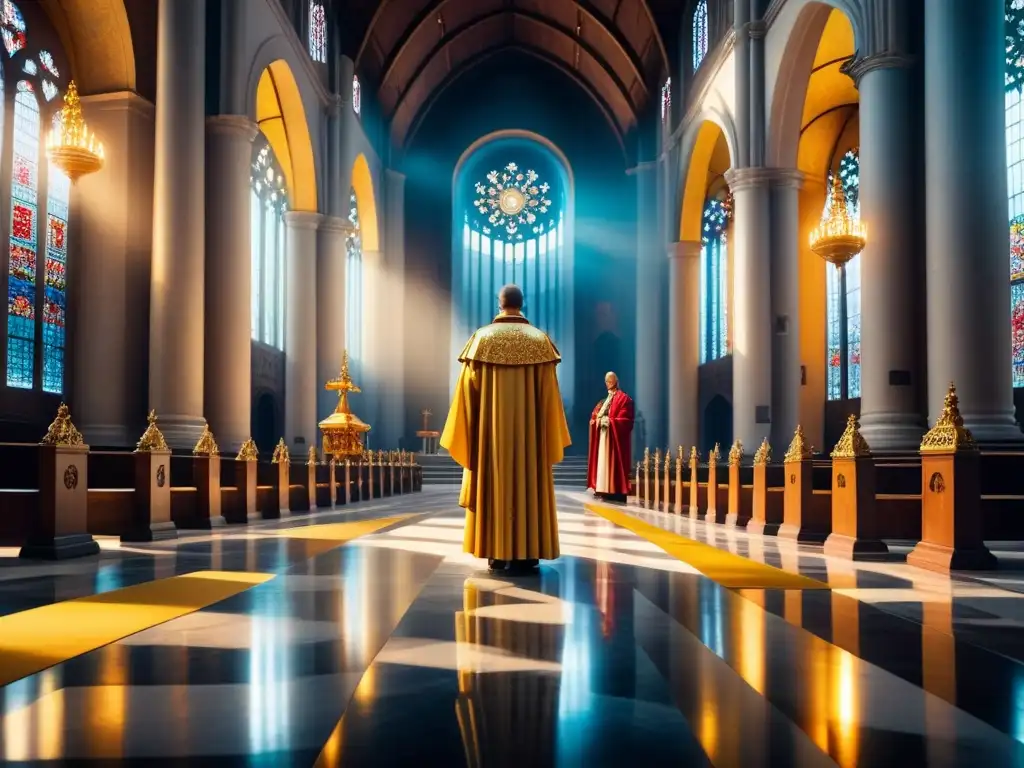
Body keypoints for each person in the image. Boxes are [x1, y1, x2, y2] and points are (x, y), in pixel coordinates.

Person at [440, 284, 571, 575]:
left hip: (491, 442)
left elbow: (466, 398)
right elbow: (550, 400)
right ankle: (528, 552)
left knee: (493, 484)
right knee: (529, 484)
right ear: (522, 303)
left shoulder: (481, 340)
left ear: (499, 304)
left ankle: (496, 553)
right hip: (530, 444)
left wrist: (470, 433)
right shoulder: (540, 342)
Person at [586, 371, 634, 502]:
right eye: (606, 381)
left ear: (615, 382)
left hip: (613, 439)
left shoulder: (623, 399)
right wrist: (595, 421)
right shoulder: (604, 401)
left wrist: (610, 422)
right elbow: (596, 414)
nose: (608, 383)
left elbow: (626, 420)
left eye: (610, 381)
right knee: (602, 462)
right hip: (603, 437)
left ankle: (614, 489)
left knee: (612, 464)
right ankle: (603, 488)